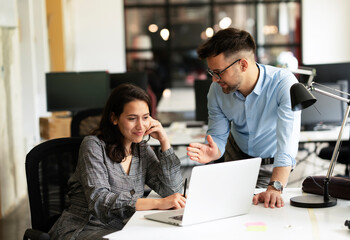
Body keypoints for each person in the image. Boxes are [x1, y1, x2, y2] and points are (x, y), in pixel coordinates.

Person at [49, 84, 186, 239]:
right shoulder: (93, 146)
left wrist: (164, 140)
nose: (141, 126)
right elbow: (99, 201)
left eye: (146, 117)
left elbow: (172, 190)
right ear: (114, 118)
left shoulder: (141, 149)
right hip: (83, 228)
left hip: (124, 227)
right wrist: (158, 204)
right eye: (132, 118)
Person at [187, 28, 301, 208]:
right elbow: (217, 134)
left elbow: (288, 143)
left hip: (271, 164)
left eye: (219, 72)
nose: (215, 80)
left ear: (243, 65)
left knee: (265, 213)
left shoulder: (283, 84)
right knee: (228, 210)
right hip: (236, 156)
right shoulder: (217, 91)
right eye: (212, 73)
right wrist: (214, 151)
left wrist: (275, 187)